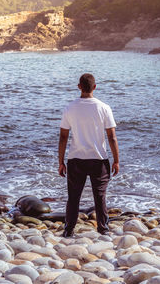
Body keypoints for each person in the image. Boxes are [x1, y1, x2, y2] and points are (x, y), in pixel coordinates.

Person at [58, 73, 119, 237]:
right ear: (94, 87)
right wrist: (116, 161)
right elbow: (112, 137)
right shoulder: (104, 107)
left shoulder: (70, 108)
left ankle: (68, 230)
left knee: (73, 197)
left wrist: (61, 162)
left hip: (76, 159)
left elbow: (63, 137)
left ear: (79, 87)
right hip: (99, 159)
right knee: (100, 196)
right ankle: (103, 229)